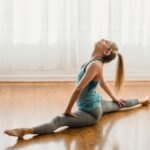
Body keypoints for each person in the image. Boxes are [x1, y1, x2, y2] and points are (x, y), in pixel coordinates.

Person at [4, 38, 150, 138]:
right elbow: (103, 82)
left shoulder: (95, 65)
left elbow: (78, 89)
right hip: (97, 103)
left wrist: (67, 110)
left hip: (90, 112)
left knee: (59, 120)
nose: (103, 38)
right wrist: (114, 98)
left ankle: (25, 131)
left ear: (106, 51)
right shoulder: (95, 62)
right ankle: (142, 100)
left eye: (106, 42)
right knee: (118, 104)